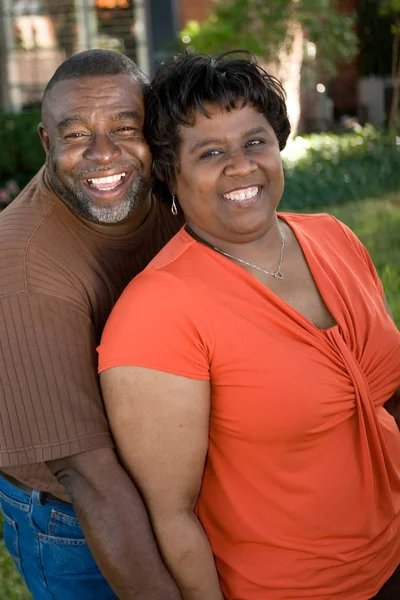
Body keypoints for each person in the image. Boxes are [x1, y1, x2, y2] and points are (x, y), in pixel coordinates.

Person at [98, 51, 400, 600]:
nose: (241, 167)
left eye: (254, 142)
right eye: (210, 153)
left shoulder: (334, 238)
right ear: (170, 174)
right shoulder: (158, 312)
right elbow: (171, 516)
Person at [0, 49, 182, 600]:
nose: (105, 155)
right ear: (46, 143)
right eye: (77, 136)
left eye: (125, 128)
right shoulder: (23, 269)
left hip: (164, 481)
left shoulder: (169, 192)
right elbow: (86, 475)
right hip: (73, 517)